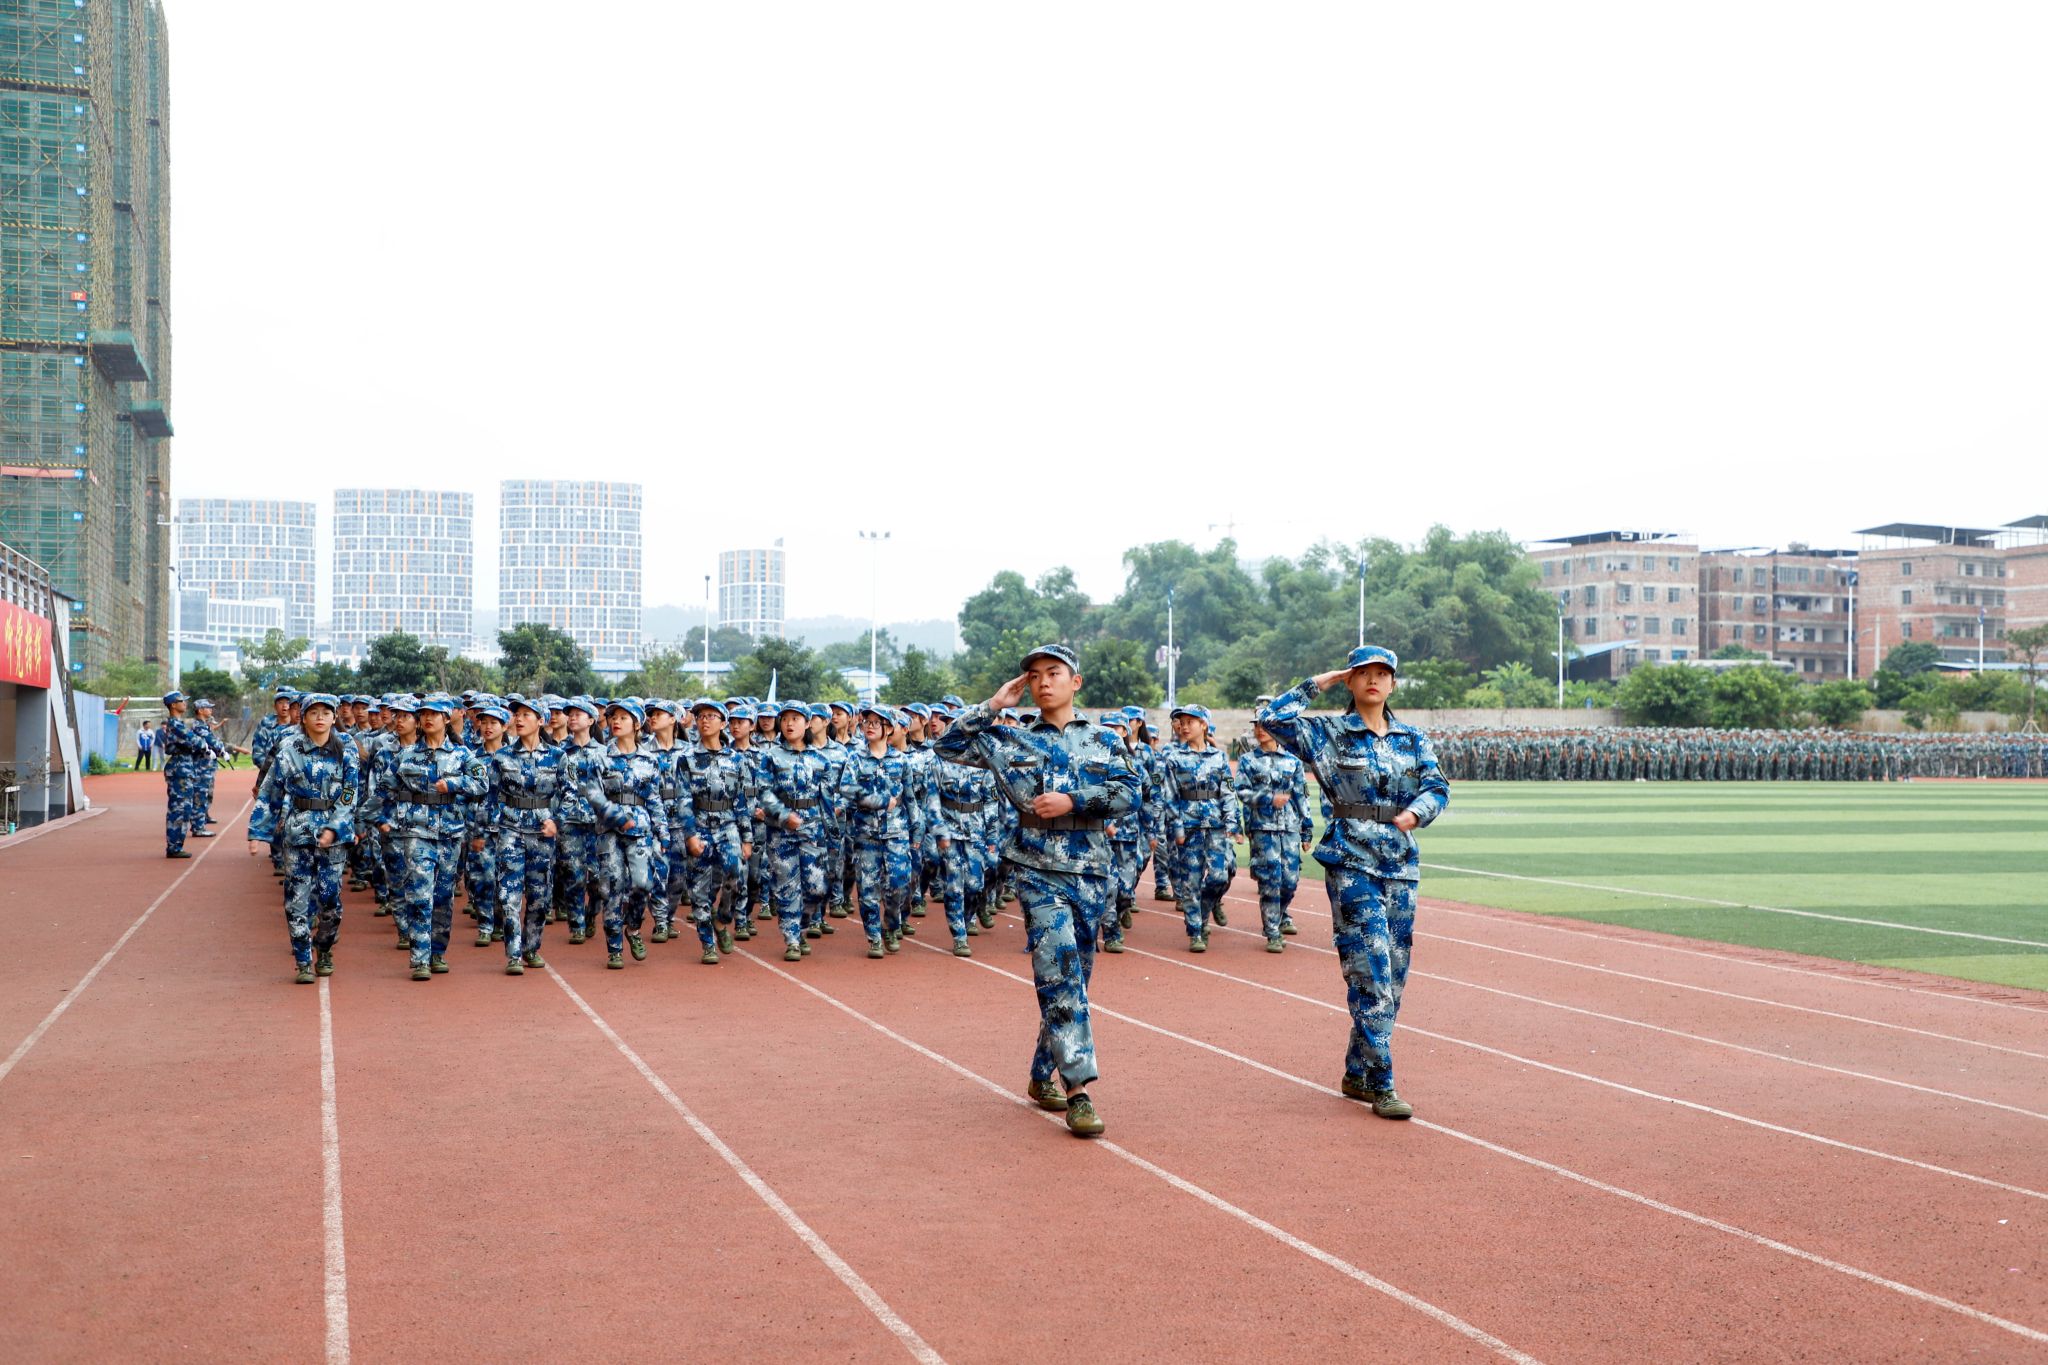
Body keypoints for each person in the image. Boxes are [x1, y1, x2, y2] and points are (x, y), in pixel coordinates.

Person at [935, 643, 1141, 1139]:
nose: (1043, 681)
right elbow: (944, 746)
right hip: (1035, 869)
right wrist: (993, 706)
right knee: (1061, 971)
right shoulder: (1009, 741)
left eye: (1054, 672)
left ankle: (1038, 1074)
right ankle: (1079, 1091)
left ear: (1077, 682)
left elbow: (1131, 791)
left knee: (1075, 980)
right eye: (1033, 675)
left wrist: (1077, 798)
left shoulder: (1105, 741)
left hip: (1091, 872)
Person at [1255, 646, 1450, 1120]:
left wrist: (1416, 813)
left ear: (1393, 684)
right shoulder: (1328, 734)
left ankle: (1356, 1070)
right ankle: (1383, 1082)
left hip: (1400, 863)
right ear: (1350, 680)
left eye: (1383, 674)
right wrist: (1322, 680)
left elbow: (1438, 786)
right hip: (1351, 861)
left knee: (1394, 976)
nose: (1373, 680)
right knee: (1372, 969)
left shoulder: (1412, 738)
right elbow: (1270, 716)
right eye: (1363, 673)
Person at [246, 693, 359, 983]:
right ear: (304, 718)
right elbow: (271, 791)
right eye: (313, 713)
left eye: (326, 712)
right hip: (298, 831)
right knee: (296, 899)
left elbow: (350, 793)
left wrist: (336, 826)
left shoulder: (346, 748)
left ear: (334, 717)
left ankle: (324, 949)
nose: (320, 718)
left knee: (330, 898)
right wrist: (257, 832)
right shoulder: (289, 749)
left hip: (334, 835)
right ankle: (303, 961)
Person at [586, 700, 669, 970]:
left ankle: (633, 928)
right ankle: (614, 948)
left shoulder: (649, 760)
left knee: (643, 884)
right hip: (609, 831)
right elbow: (593, 794)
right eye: (612, 717)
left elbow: (655, 799)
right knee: (612, 887)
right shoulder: (599, 757)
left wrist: (663, 832)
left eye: (623, 717)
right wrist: (616, 816)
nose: (615, 721)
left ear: (637, 724)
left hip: (641, 830)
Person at [1158, 703, 1241, 951]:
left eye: (1190, 722)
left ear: (1203, 725)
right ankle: (1195, 931)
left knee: (1219, 876)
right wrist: (1177, 829)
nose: (1184, 727)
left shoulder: (1219, 757)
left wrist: (1232, 822)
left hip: (1215, 825)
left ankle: (1206, 912)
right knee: (1190, 882)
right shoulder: (1174, 758)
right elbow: (1170, 797)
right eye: (1181, 723)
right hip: (1189, 825)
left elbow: (1227, 792)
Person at [676, 698, 753, 962]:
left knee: (736, 875)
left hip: (727, 824)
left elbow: (741, 800)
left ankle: (723, 919)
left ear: (723, 723)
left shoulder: (736, 759)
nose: (705, 720)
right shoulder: (686, 759)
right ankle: (707, 944)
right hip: (699, 824)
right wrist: (689, 835)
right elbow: (683, 800)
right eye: (700, 717)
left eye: (711, 716)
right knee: (699, 890)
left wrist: (747, 837)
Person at [839, 703, 914, 957]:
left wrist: (917, 831)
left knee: (898, 884)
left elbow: (911, 799)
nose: (869, 727)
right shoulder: (855, 759)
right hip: (865, 834)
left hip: (897, 834)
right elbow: (847, 790)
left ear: (889, 728)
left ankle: (891, 925)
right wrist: (878, 800)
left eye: (876, 723)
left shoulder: (901, 761)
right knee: (868, 889)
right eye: (866, 722)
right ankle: (873, 938)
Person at [1236, 711, 1312, 951]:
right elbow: (1242, 791)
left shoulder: (1293, 761)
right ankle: (1272, 932)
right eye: (1256, 726)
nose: (1259, 730)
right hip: (1263, 828)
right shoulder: (1248, 760)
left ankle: (1279, 917)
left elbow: (1301, 795)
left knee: (1290, 881)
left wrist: (1306, 828)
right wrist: (1268, 798)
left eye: (1265, 726)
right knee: (1270, 879)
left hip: (1289, 828)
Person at [158, 691, 210, 858]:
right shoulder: (175, 725)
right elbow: (196, 741)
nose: (185, 704)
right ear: (173, 705)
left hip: (184, 769)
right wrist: (201, 745)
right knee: (179, 809)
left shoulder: (177, 724)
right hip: (180, 770)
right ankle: (174, 847)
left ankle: (176, 846)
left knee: (184, 809)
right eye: (181, 701)